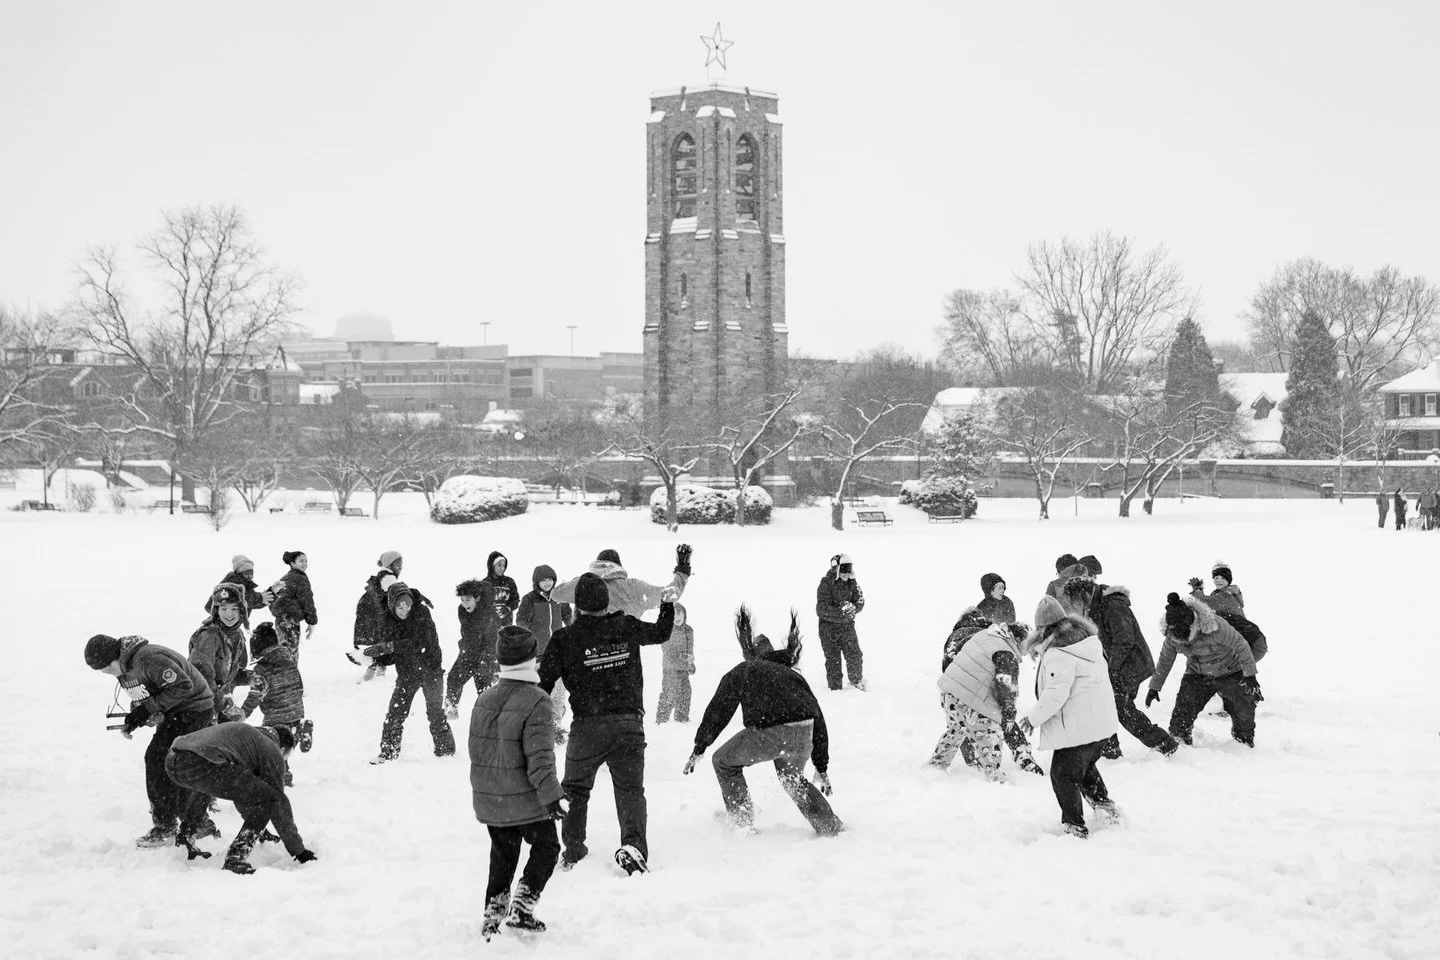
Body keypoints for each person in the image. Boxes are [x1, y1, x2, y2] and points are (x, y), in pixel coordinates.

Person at [539, 572, 676, 875]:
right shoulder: (624, 625)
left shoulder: (565, 639)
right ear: (605, 601)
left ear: (577, 604)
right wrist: (666, 604)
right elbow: (661, 633)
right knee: (630, 790)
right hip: (628, 724)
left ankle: (573, 850)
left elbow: (542, 685)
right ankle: (634, 846)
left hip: (587, 727)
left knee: (575, 789)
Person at [685, 607, 843, 836]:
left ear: (750, 653)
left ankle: (743, 823)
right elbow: (816, 715)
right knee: (792, 779)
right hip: (804, 733)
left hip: (773, 733)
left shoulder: (747, 668)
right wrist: (821, 764)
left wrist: (700, 746)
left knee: (723, 762)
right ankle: (830, 826)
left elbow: (720, 708)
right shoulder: (793, 675)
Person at [469, 625, 567, 940]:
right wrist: (552, 797)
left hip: (492, 796)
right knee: (548, 846)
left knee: (503, 853)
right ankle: (522, 907)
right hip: (524, 797)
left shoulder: (485, 697)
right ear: (531, 659)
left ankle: (492, 916)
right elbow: (540, 758)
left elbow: (478, 749)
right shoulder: (537, 700)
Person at [84, 634, 215, 847]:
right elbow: (149, 695)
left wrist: (148, 709)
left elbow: (184, 686)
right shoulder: (125, 669)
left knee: (172, 761)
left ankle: (186, 824)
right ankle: (176, 823)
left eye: (105, 668)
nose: (106, 673)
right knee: (158, 760)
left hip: (194, 709)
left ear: (113, 658)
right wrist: (137, 716)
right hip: (175, 712)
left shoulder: (148, 659)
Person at [1019, 597, 1121, 840]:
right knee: (1083, 769)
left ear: (1042, 628)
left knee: (1063, 775)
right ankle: (1105, 808)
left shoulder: (1059, 653)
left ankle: (1074, 826)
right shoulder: (1087, 642)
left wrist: (1032, 718)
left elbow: (1055, 694)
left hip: (1080, 726)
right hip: (1100, 723)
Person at [166, 723, 317, 874]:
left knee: (208, 784)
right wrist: (299, 851)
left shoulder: (247, 738)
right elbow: (278, 802)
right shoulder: (271, 748)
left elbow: (241, 792)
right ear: (282, 749)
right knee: (269, 798)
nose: (282, 760)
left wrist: (259, 826)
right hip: (201, 762)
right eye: (285, 757)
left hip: (174, 759)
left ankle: (186, 837)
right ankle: (236, 858)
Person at [1059, 575, 1179, 757]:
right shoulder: (1097, 605)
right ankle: (1111, 750)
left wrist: (1112, 669)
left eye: (1074, 599)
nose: (1074, 604)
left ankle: (1163, 743)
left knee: (1120, 709)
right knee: (1109, 706)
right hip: (1121, 665)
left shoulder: (1112, 605)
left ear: (1083, 594)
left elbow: (1124, 640)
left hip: (1132, 665)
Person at [931, 618, 1044, 780]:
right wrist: (1008, 715)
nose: (1027, 652)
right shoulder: (1006, 654)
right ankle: (995, 777)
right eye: (1027, 644)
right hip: (968, 700)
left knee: (956, 730)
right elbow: (1005, 690)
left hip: (949, 693)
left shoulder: (987, 635)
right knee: (991, 736)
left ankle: (936, 766)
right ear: (1018, 640)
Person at [1147, 593, 1260, 748]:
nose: (1180, 639)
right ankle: (1180, 738)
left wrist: (1250, 675)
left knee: (1243, 710)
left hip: (1230, 670)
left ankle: (1244, 740)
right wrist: (1154, 687)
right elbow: (1165, 660)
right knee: (1183, 709)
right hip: (1197, 673)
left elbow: (1241, 645)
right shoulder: (1171, 636)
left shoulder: (1216, 626)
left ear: (1192, 624)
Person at [368, 581, 457, 763]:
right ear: (392, 604)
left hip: (431, 670)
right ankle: (388, 753)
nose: (404, 609)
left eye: (407, 604)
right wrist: (375, 655)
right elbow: (392, 654)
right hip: (407, 673)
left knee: (435, 713)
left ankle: (446, 753)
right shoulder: (388, 619)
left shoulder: (421, 613)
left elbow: (421, 643)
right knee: (395, 713)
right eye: (399, 605)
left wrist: (390, 646)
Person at [239, 622, 311, 784]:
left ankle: (283, 775)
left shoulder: (262, 668)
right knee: (287, 738)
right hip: (296, 709)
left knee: (274, 748)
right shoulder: (289, 659)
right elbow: (299, 685)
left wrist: (243, 712)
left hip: (275, 714)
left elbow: (255, 695)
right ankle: (299, 731)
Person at [515, 564, 574, 741]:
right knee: (538, 691)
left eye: (550, 579)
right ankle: (535, 725)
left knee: (558, 692)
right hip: (538, 654)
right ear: (536, 581)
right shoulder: (529, 599)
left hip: (558, 652)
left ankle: (555, 725)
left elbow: (568, 618)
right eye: (543, 579)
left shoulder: (559, 598)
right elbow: (521, 621)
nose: (547, 583)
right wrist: (526, 639)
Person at [552, 546, 692, 617]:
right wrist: (682, 570)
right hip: (625, 656)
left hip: (590, 656)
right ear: (619, 566)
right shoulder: (634, 588)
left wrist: (577, 581)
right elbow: (671, 594)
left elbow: (555, 594)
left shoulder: (584, 584)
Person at [189, 583, 251, 724]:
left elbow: (227, 676)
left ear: (242, 610)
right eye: (224, 608)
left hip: (215, 705)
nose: (229, 614)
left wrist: (250, 678)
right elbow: (201, 677)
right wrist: (226, 706)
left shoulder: (237, 635)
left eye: (234, 608)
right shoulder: (208, 636)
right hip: (197, 707)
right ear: (216, 611)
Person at [447, 578, 501, 720]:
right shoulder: (462, 611)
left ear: (477, 598)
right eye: (462, 600)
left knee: (485, 692)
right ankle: (451, 710)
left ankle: (490, 719)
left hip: (485, 657)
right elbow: (467, 631)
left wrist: (488, 661)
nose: (465, 604)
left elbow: (492, 640)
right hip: (468, 654)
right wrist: (464, 646)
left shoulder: (489, 615)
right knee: (453, 679)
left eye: (468, 600)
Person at [816, 554, 865, 691]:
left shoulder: (852, 583)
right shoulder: (826, 583)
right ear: (835, 568)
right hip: (828, 630)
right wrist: (841, 612)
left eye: (849, 568)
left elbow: (860, 600)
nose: (847, 572)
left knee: (854, 654)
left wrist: (853, 608)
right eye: (844, 568)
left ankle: (856, 682)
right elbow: (821, 609)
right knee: (833, 660)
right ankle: (835, 690)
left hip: (847, 628)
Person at [354, 551, 403, 682]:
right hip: (376, 613)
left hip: (372, 611)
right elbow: (395, 593)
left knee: (381, 640)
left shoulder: (385, 575)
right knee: (384, 640)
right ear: (389, 564)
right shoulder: (389, 578)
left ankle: (377, 671)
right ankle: (373, 674)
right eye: (397, 563)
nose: (400, 566)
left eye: (401, 563)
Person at [267, 550, 317, 662]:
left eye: (306, 561)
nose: (304, 563)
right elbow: (307, 599)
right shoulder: (300, 578)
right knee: (289, 653)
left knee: (284, 651)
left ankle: (284, 676)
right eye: (301, 561)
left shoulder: (287, 577)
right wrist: (311, 621)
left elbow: (274, 598)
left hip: (281, 620)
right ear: (292, 563)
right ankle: (289, 678)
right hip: (289, 620)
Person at [655, 603, 695, 724]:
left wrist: (691, 664)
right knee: (669, 692)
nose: (677, 618)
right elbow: (666, 650)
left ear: (684, 615)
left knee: (685, 692)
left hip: (683, 668)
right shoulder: (667, 631)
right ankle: (661, 719)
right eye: (674, 615)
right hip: (670, 668)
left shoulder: (689, 630)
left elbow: (690, 648)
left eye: (679, 615)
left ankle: (681, 718)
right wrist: (680, 657)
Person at [206, 554, 265, 627]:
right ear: (239, 573)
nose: (250, 576)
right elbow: (242, 599)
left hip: (230, 623)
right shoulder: (233, 581)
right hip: (223, 623)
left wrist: (272, 593)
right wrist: (260, 597)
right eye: (246, 573)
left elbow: (254, 603)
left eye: (251, 573)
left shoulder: (246, 584)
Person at [484, 551, 521, 626]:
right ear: (492, 566)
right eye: (499, 565)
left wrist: (508, 608)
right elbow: (481, 604)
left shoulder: (510, 582)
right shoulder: (485, 583)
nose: (502, 568)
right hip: (489, 626)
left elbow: (516, 600)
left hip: (506, 625)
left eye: (504, 566)